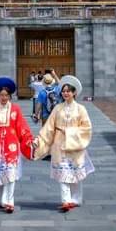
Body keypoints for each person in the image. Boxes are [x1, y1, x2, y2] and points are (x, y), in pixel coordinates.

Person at [34, 75, 93, 212]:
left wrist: (71, 132)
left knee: (75, 173)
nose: (65, 93)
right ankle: (66, 200)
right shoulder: (57, 108)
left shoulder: (81, 109)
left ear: (74, 93)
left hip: (75, 145)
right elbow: (49, 127)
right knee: (63, 172)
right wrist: (39, 140)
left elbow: (87, 128)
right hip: (59, 144)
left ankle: (76, 199)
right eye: (64, 91)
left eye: (68, 91)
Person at [0, 77, 33, 213]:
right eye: (1, 95)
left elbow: (22, 127)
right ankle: (1, 198)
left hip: (11, 146)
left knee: (10, 172)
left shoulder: (15, 110)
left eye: (6, 95)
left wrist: (29, 139)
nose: (3, 98)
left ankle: (9, 200)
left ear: (10, 96)